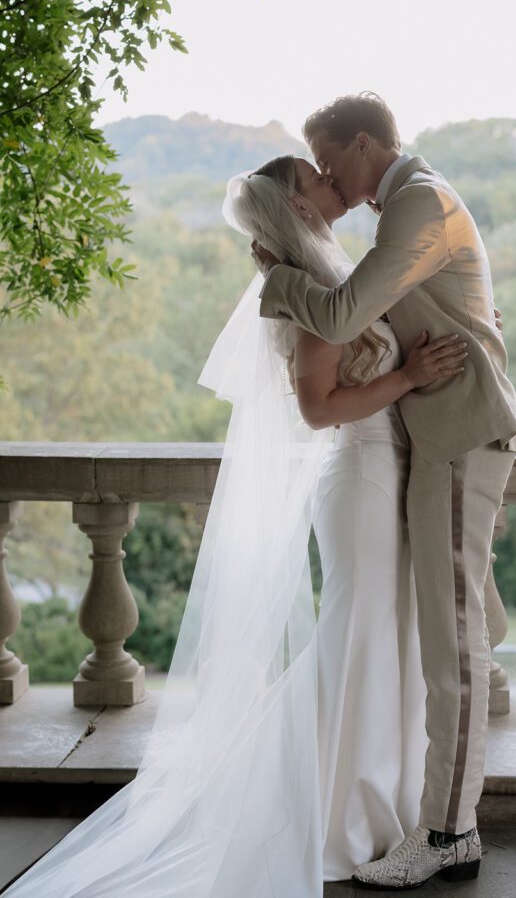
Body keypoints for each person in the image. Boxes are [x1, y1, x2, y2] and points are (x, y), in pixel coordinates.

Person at [2, 154, 469, 898]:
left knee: (383, 638)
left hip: (389, 471)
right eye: (319, 176)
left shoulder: (332, 270)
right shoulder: (306, 287)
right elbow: (318, 408)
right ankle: (339, 814)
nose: (332, 180)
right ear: (299, 202)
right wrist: (409, 377)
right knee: (361, 641)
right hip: (360, 478)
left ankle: (384, 806)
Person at [253, 91, 516, 891]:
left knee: (454, 645)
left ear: (366, 142)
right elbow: (416, 310)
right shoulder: (411, 204)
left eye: (331, 158)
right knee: (449, 634)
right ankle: (438, 819)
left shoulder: (417, 202)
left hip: (454, 437)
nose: (331, 176)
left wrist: (275, 285)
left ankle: (447, 831)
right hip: (432, 441)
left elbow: (340, 315)